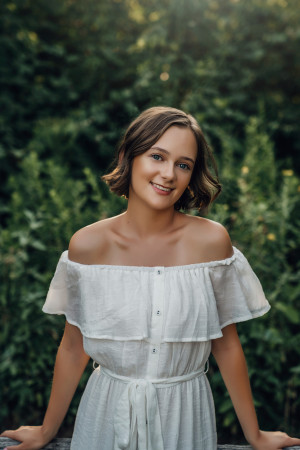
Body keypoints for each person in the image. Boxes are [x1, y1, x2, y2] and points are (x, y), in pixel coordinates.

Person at [1, 106, 300, 450]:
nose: (169, 174)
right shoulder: (87, 245)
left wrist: (255, 435)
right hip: (105, 419)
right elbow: (72, 347)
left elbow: (227, 343)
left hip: (186, 420)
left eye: (183, 164)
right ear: (130, 155)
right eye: (157, 156)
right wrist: (46, 429)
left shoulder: (212, 243)